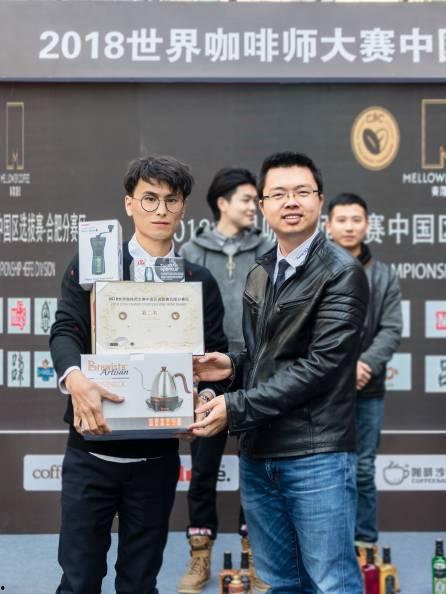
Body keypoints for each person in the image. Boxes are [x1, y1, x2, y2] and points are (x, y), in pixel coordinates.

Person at [189, 151, 369, 594]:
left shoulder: (342, 273)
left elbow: (320, 366)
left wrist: (234, 407)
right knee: (278, 582)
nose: (291, 201)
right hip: (259, 455)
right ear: (264, 205)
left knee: (330, 583)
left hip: (316, 455)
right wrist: (232, 365)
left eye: (302, 192)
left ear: (319, 200)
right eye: (279, 193)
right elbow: (268, 356)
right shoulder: (261, 272)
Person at [49, 155, 228, 594]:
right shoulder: (93, 266)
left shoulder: (197, 280)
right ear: (129, 204)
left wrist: (204, 400)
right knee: (79, 580)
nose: (160, 210)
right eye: (149, 199)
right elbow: (66, 329)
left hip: (156, 458)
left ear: (183, 208)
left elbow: (216, 361)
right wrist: (75, 379)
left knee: (139, 582)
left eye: (171, 200)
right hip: (90, 450)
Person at [178, 168, 273, 594]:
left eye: (257, 200)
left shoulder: (268, 247)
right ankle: (200, 556)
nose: (255, 207)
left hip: (256, 369)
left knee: (258, 468)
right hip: (208, 371)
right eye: (247, 199)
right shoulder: (191, 251)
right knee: (203, 469)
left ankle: (256, 558)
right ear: (222, 203)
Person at [325, 192, 402, 569]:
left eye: (356, 219)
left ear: (368, 225)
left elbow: (391, 329)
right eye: (341, 220)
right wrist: (341, 368)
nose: (349, 226)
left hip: (367, 388)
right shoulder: (317, 270)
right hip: (323, 390)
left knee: (363, 469)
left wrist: (364, 364)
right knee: (324, 470)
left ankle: (366, 546)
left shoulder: (384, 275)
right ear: (328, 226)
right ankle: (328, 545)